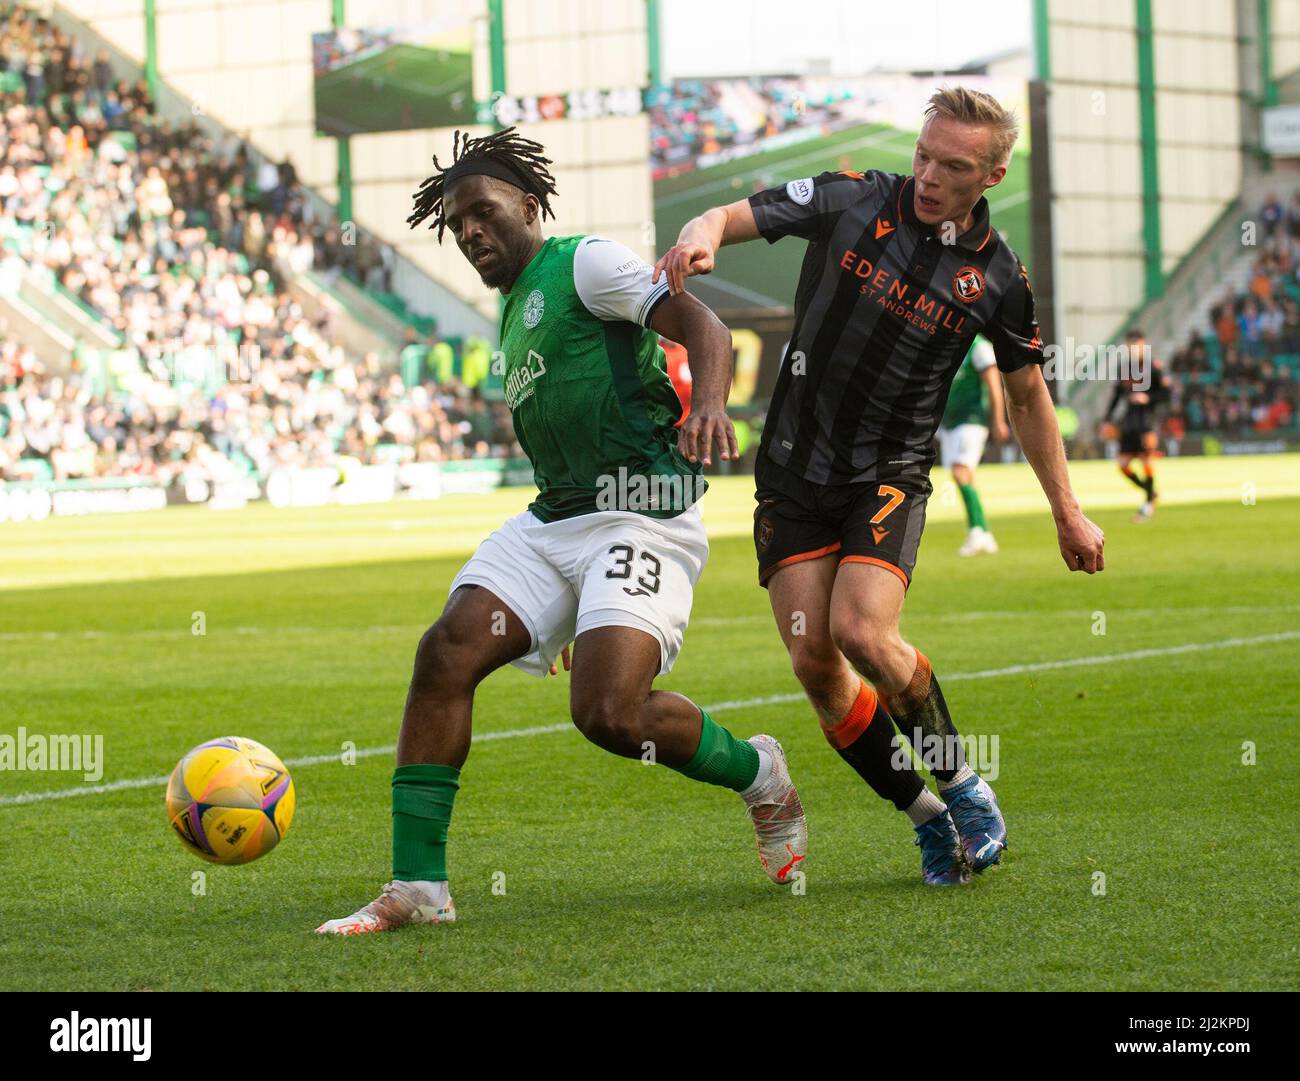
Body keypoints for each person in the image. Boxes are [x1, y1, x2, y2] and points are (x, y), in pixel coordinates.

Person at [316, 129, 807, 935]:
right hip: (555, 519)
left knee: (610, 713)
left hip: (641, 512)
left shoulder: (586, 264)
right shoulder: (510, 310)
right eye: (456, 223)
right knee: (446, 651)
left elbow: (706, 329)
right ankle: (418, 885)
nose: (470, 230)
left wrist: (712, 404)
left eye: (483, 211)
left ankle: (761, 773)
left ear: (531, 205)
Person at [655, 86, 1105, 885]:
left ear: (993, 175)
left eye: (953, 166)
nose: (928, 175)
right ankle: (926, 819)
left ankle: (962, 783)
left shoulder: (999, 278)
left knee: (862, 631)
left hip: (886, 474)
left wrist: (1065, 510)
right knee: (815, 662)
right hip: (793, 471)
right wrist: (698, 232)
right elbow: (729, 217)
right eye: (924, 154)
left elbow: (1028, 393)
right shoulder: (853, 200)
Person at [937, 335, 1009, 555]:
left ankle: (977, 532)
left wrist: (998, 420)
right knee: (963, 477)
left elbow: (994, 386)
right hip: (949, 422)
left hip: (971, 420)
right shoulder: (946, 344)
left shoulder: (979, 348)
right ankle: (983, 533)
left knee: (960, 472)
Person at [1103, 328, 1169, 522]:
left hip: (1146, 421)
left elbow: (1166, 394)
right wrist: (1107, 419)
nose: (1133, 349)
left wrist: (1147, 398)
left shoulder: (1154, 367)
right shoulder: (1123, 368)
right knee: (1123, 465)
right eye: (1130, 345)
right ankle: (1151, 493)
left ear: (1143, 345)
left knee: (1146, 460)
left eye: (1136, 345)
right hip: (1129, 422)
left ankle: (1147, 504)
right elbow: (1116, 396)